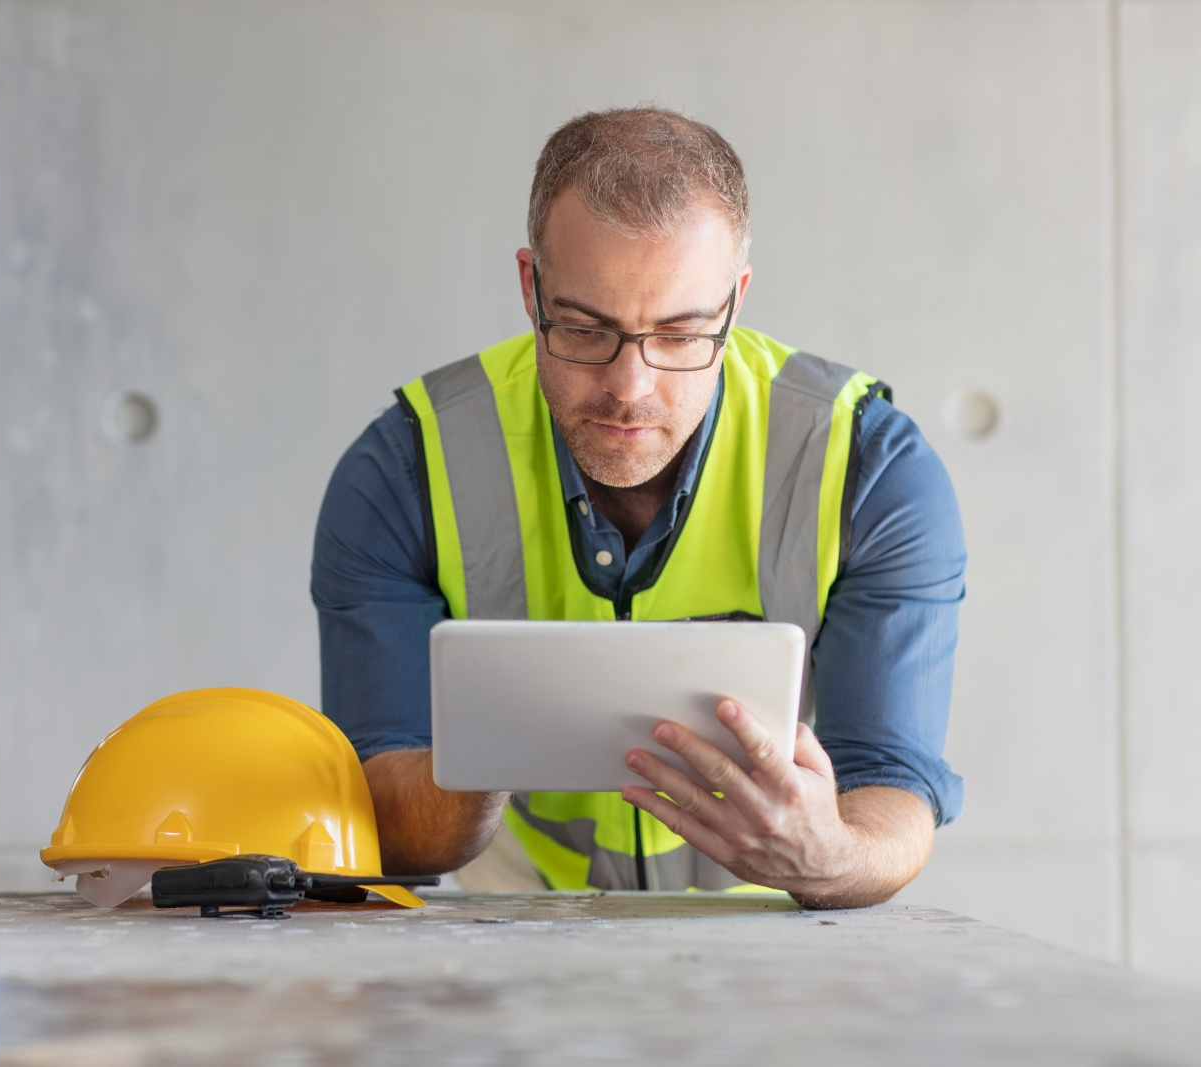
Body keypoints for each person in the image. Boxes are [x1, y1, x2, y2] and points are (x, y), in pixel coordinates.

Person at [312, 108, 965, 909]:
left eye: (683, 333)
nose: (631, 386)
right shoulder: (404, 466)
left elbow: (892, 788)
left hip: (762, 928)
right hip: (515, 923)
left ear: (736, 300)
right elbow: (383, 827)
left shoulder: (868, 465)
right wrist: (497, 739)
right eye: (585, 329)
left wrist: (830, 857)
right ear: (530, 287)